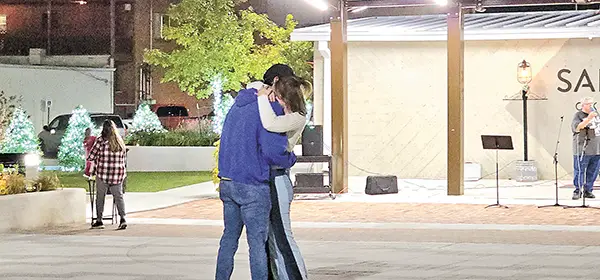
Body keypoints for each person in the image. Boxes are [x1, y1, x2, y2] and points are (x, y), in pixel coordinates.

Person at [215, 80, 297, 280]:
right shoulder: (266, 109)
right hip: (253, 185)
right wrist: (290, 158)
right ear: (264, 90)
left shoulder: (233, 108)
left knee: (228, 240)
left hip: (228, 181)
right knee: (257, 245)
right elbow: (272, 150)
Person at [257, 74, 312, 280]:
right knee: (272, 237)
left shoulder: (297, 116)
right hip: (272, 177)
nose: (274, 99)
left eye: (277, 95)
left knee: (283, 236)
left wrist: (262, 97)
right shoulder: (289, 113)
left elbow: (270, 124)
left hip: (279, 178)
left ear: (286, 98)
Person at [88, 120, 128, 230]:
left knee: (100, 197)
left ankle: (99, 220)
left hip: (103, 174)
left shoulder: (100, 140)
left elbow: (91, 156)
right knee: (118, 197)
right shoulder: (119, 140)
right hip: (117, 174)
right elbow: (124, 157)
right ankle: (123, 219)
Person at [571, 96, 600, 200]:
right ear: (583, 105)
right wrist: (589, 119)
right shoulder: (578, 115)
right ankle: (577, 190)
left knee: (593, 171)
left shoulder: (597, 115)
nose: (591, 106)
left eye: (592, 104)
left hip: (596, 148)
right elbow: (577, 127)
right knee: (579, 170)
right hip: (582, 148)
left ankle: (588, 190)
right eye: (589, 104)